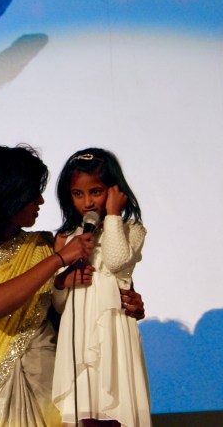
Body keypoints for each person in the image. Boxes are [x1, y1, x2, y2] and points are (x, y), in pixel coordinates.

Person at [0, 145, 144, 426]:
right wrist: (59, 259)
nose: (41, 201)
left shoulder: (46, 244)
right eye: (32, 193)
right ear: (7, 195)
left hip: (45, 381)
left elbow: (77, 302)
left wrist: (126, 302)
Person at [51, 149, 151, 426]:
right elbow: (59, 305)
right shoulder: (65, 238)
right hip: (78, 334)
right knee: (84, 410)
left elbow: (116, 260)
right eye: (78, 194)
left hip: (114, 330)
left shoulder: (131, 229)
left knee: (116, 404)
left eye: (95, 191)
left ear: (114, 190)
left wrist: (113, 214)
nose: (87, 202)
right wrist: (62, 281)